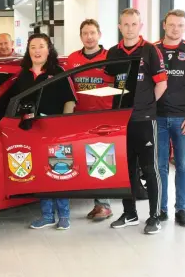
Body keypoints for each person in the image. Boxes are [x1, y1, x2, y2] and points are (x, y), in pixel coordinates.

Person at [107, 8, 167, 234]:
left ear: (140, 26)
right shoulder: (113, 52)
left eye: (134, 24)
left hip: (144, 120)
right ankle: (130, 213)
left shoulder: (150, 51)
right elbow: (109, 85)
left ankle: (155, 216)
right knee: (125, 169)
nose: (130, 28)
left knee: (150, 169)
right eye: (126, 24)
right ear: (119, 26)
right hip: (120, 121)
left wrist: (146, 106)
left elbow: (161, 84)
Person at [12, 33, 76, 230]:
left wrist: (62, 124)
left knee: (60, 171)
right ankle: (47, 215)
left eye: (41, 46)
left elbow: (70, 101)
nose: (37, 50)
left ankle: (64, 215)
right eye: (33, 47)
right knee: (40, 174)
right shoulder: (22, 75)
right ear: (28, 51)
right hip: (32, 131)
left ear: (49, 49)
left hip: (55, 130)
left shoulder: (58, 72)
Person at [154, 9, 185, 227]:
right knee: (160, 166)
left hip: (183, 118)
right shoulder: (152, 50)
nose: (175, 29)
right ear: (164, 25)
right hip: (157, 118)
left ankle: (181, 210)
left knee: (183, 165)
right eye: (172, 24)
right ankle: (161, 209)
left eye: (180, 25)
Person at [66, 19, 114, 221]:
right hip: (79, 117)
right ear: (81, 36)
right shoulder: (72, 59)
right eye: (85, 33)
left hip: (103, 118)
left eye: (93, 32)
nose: (89, 36)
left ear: (99, 35)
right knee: (82, 162)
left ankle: (104, 205)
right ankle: (96, 203)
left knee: (101, 160)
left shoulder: (110, 57)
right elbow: (68, 88)